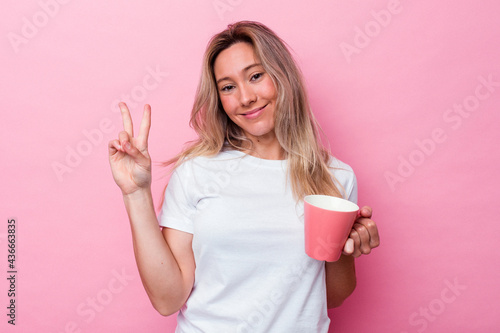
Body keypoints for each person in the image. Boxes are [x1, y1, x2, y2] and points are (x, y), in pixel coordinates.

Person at [108, 21, 379, 333]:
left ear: (283, 76)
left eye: (255, 76)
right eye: (228, 86)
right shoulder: (196, 172)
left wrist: (348, 247)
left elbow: (332, 296)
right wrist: (135, 193)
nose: (246, 97)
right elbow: (168, 300)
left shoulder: (336, 178)